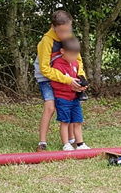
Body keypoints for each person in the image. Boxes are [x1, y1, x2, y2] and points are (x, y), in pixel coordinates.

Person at [34, 10, 85, 151]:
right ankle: (42, 142)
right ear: (53, 27)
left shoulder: (69, 35)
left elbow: (78, 60)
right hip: (45, 77)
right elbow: (45, 68)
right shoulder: (46, 41)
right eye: (61, 31)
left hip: (66, 74)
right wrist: (67, 80)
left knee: (69, 102)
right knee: (50, 107)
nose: (65, 35)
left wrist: (80, 77)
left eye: (68, 30)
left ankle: (72, 139)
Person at [49, 37, 90, 150]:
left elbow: (78, 77)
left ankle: (80, 143)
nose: (74, 58)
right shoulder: (57, 65)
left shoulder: (75, 63)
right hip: (63, 99)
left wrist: (82, 86)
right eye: (71, 55)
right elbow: (55, 84)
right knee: (65, 122)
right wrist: (70, 86)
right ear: (63, 51)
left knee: (77, 121)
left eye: (75, 55)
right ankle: (66, 144)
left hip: (75, 99)